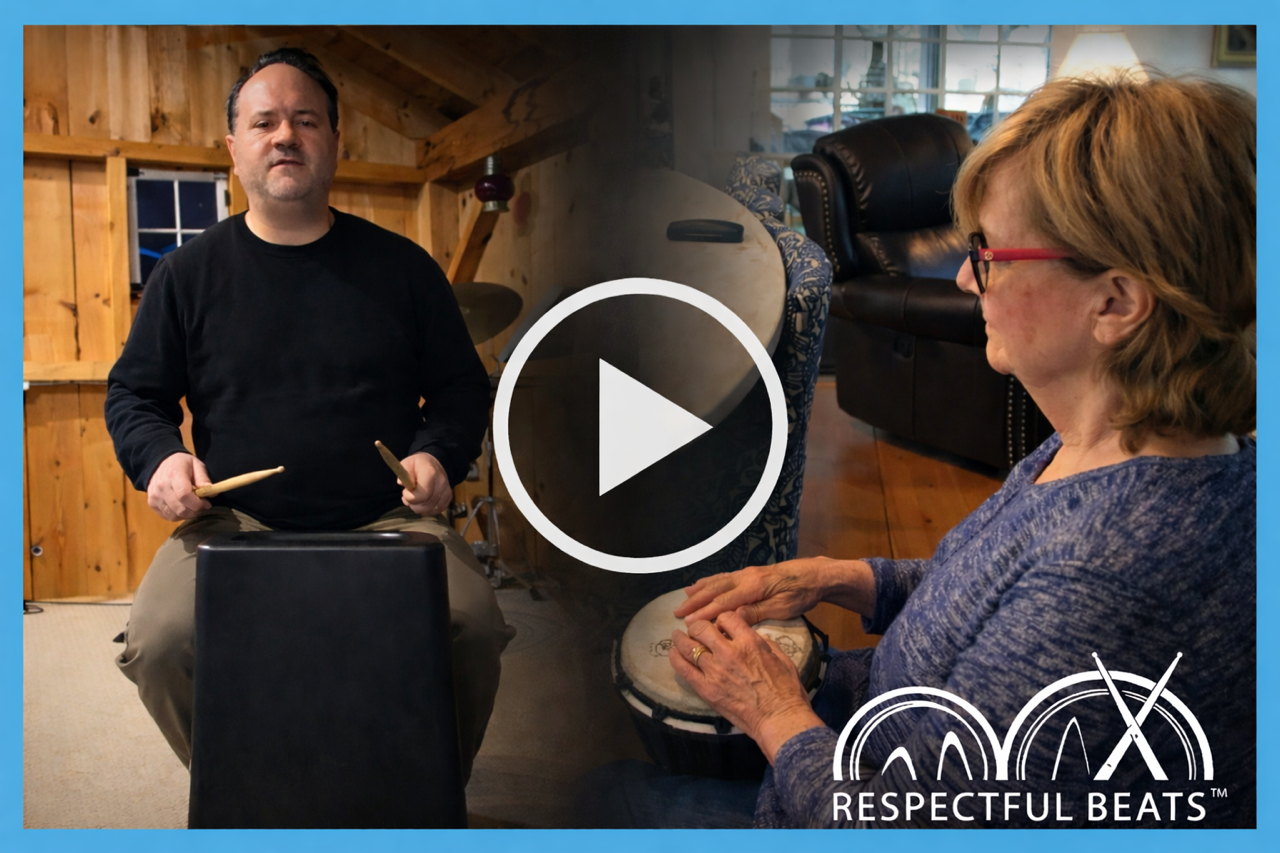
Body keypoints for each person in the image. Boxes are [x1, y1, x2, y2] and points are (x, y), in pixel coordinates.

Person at [582, 74, 1256, 828]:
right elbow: (989, 607)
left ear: (1116, 302)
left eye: (991, 252)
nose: (967, 276)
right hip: (875, 726)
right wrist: (839, 577)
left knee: (597, 794)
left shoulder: (1114, 578)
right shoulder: (1110, 449)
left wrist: (774, 712)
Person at [105, 48, 514, 782]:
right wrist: (162, 459)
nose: (285, 135)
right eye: (264, 122)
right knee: (161, 641)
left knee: (471, 625)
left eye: (305, 120)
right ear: (235, 149)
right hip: (235, 523)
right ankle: (248, 791)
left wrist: (438, 456)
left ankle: (419, 797)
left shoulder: (404, 267)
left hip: (384, 517)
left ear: (334, 140)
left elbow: (460, 386)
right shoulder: (185, 276)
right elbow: (135, 396)